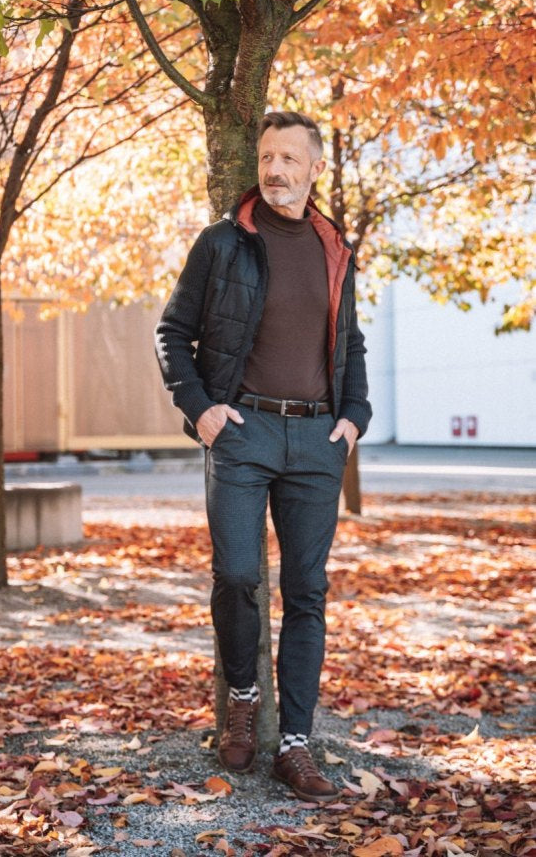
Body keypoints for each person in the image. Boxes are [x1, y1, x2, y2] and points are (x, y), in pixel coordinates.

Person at [154, 111, 372, 801]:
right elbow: (171, 332)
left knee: (307, 594)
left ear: (313, 169)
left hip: (316, 440)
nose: (274, 169)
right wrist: (203, 411)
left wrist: (354, 418)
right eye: (266, 156)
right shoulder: (223, 243)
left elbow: (351, 342)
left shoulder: (334, 245)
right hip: (242, 432)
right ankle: (242, 695)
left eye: (288, 158)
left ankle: (297, 746)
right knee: (238, 573)